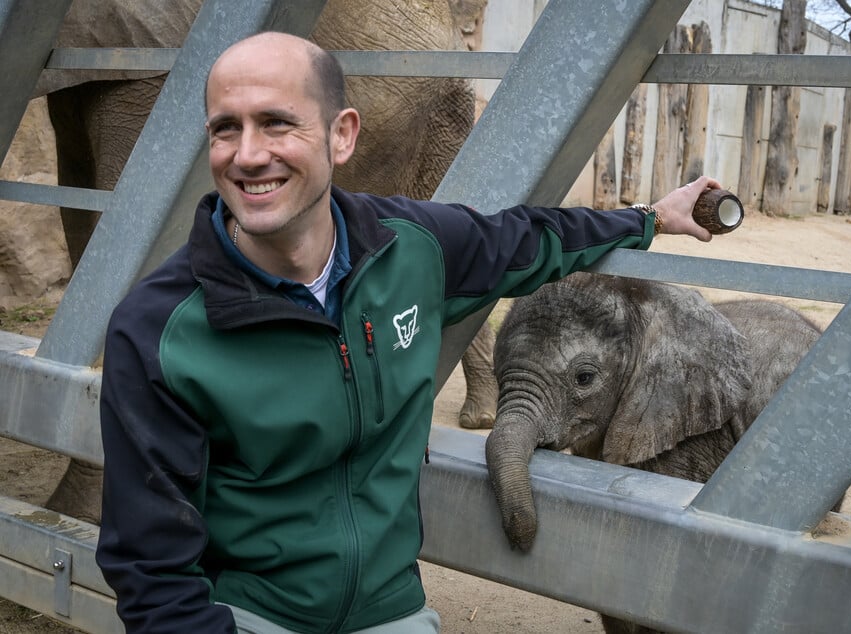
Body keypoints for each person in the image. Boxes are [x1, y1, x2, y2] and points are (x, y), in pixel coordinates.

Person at [96, 31, 720, 634]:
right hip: (252, 617)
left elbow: (528, 238)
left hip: (391, 611)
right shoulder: (160, 331)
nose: (248, 154)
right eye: (225, 129)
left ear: (342, 136)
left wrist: (646, 220)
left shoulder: (410, 248)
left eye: (276, 122)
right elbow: (151, 570)